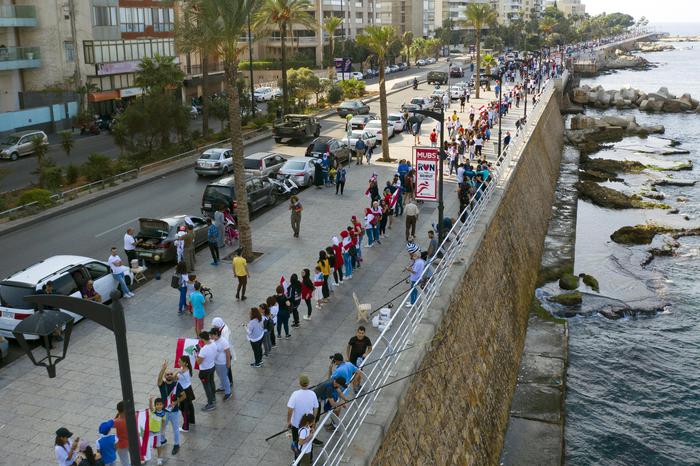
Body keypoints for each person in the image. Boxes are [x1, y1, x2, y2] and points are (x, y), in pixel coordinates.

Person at [156, 361, 185, 457]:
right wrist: (163, 369)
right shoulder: (162, 384)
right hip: (164, 411)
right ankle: (163, 440)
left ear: (173, 375)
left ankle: (176, 445)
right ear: (165, 376)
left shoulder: (177, 385)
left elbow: (184, 396)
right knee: (161, 428)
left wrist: (176, 402)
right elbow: (158, 380)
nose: (169, 375)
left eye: (171, 374)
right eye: (167, 374)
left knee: (175, 429)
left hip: (174, 411)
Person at [287, 374, 319, 460]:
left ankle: (296, 459)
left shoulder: (295, 394)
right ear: (308, 383)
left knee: (296, 442)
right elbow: (316, 408)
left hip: (296, 424)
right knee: (309, 441)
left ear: (300, 383)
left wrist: (289, 421)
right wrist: (313, 421)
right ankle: (309, 458)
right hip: (308, 424)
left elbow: (290, 409)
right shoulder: (312, 394)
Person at [195, 331, 217, 410]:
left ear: (202, 339)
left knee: (206, 386)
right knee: (211, 382)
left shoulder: (204, 350)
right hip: (212, 367)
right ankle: (213, 397)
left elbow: (198, 362)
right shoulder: (213, 343)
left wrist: (196, 355)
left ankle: (210, 404)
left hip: (204, 371)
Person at [209, 328, 232, 401]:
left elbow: (228, 353)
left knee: (224, 377)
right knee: (220, 375)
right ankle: (222, 387)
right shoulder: (213, 340)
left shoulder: (223, 341)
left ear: (216, 334)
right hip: (216, 362)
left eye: (211, 335)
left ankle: (228, 392)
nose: (210, 337)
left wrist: (228, 363)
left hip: (222, 363)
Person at [212, 317, 234, 388]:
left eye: (215, 325)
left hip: (226, 351)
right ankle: (228, 382)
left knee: (227, 368)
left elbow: (225, 342)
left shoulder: (224, 330)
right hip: (224, 351)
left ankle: (229, 382)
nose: (214, 327)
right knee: (227, 369)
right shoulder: (221, 327)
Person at [176, 355, 196, 432]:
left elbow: (175, 377)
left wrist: (177, 372)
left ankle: (185, 427)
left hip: (184, 391)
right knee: (190, 406)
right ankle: (191, 421)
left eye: (179, 362)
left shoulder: (183, 372)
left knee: (185, 409)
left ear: (184, 363)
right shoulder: (185, 369)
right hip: (188, 389)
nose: (178, 363)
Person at [147, 397, 166, 465]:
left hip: (158, 431)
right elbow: (150, 407)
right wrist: (150, 401)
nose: (159, 406)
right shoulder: (154, 410)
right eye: (157, 404)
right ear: (155, 405)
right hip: (150, 431)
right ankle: (146, 456)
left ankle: (159, 458)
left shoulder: (163, 413)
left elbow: (163, 422)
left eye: (160, 404)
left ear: (163, 405)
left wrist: (163, 430)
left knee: (158, 445)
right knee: (149, 445)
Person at [112, 402, 129, 466]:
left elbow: (110, 424)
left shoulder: (116, 421)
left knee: (125, 461)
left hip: (122, 444)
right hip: (132, 442)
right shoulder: (132, 417)